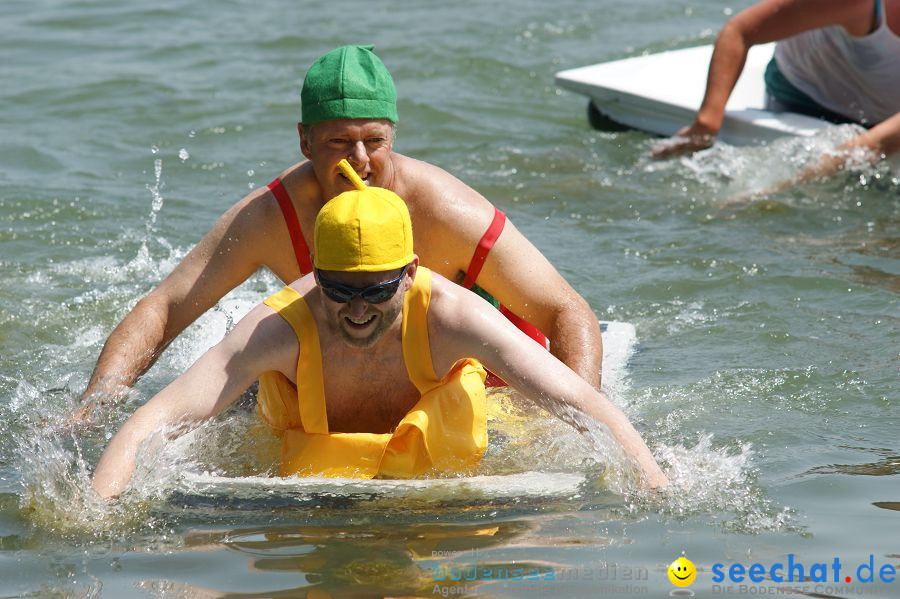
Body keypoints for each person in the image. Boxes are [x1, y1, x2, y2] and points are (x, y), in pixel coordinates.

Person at [75, 44, 603, 421]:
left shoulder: (442, 210)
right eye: (337, 143)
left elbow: (566, 311)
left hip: (471, 367)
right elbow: (166, 306)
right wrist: (96, 408)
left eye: (374, 140)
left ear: (393, 135)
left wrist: (578, 431)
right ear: (305, 141)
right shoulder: (272, 217)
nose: (360, 162)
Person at [91, 185, 668, 499]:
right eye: (339, 288)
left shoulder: (454, 319)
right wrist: (91, 512)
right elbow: (151, 421)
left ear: (412, 272)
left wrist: (655, 488)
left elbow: (584, 405)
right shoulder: (277, 330)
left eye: (378, 289)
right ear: (314, 273)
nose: (359, 308)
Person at [651, 0, 900, 186]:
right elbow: (739, 31)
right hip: (801, 97)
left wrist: (780, 188)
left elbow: (874, 143)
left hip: (882, 120)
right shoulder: (857, 4)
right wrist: (706, 124)